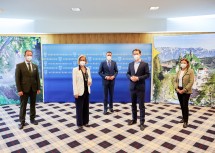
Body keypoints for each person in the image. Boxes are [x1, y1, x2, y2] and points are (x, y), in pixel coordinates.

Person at [15, 50, 41, 129]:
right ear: (24, 56)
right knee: (23, 106)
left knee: (33, 105)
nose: (29, 56)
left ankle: (32, 119)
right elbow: (17, 79)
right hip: (23, 90)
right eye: (28, 55)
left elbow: (37, 78)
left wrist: (38, 88)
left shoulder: (35, 66)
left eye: (30, 55)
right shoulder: (19, 66)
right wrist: (19, 90)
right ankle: (22, 122)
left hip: (33, 89)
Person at [126, 48, 150, 131]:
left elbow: (147, 75)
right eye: (134, 54)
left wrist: (138, 78)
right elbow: (127, 73)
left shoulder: (145, 64)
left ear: (140, 54)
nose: (135, 55)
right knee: (133, 105)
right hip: (132, 87)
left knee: (141, 106)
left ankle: (142, 122)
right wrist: (130, 77)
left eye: (137, 53)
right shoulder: (130, 64)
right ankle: (134, 119)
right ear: (133, 55)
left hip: (140, 87)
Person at [174, 58, 194, 128]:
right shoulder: (179, 71)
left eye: (184, 63)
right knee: (182, 105)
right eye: (181, 62)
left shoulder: (190, 71)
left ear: (187, 64)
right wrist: (177, 88)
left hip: (186, 91)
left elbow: (191, 82)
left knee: (185, 106)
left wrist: (184, 90)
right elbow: (175, 81)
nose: (183, 64)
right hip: (179, 90)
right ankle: (183, 118)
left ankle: (186, 121)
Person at [73, 55, 92, 128]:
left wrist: (90, 81)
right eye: (81, 60)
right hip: (79, 92)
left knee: (86, 107)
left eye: (84, 60)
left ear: (86, 61)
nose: (82, 61)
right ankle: (80, 123)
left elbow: (90, 78)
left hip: (87, 91)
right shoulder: (75, 70)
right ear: (79, 61)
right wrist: (75, 92)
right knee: (79, 108)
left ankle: (86, 122)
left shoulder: (88, 69)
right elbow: (74, 82)